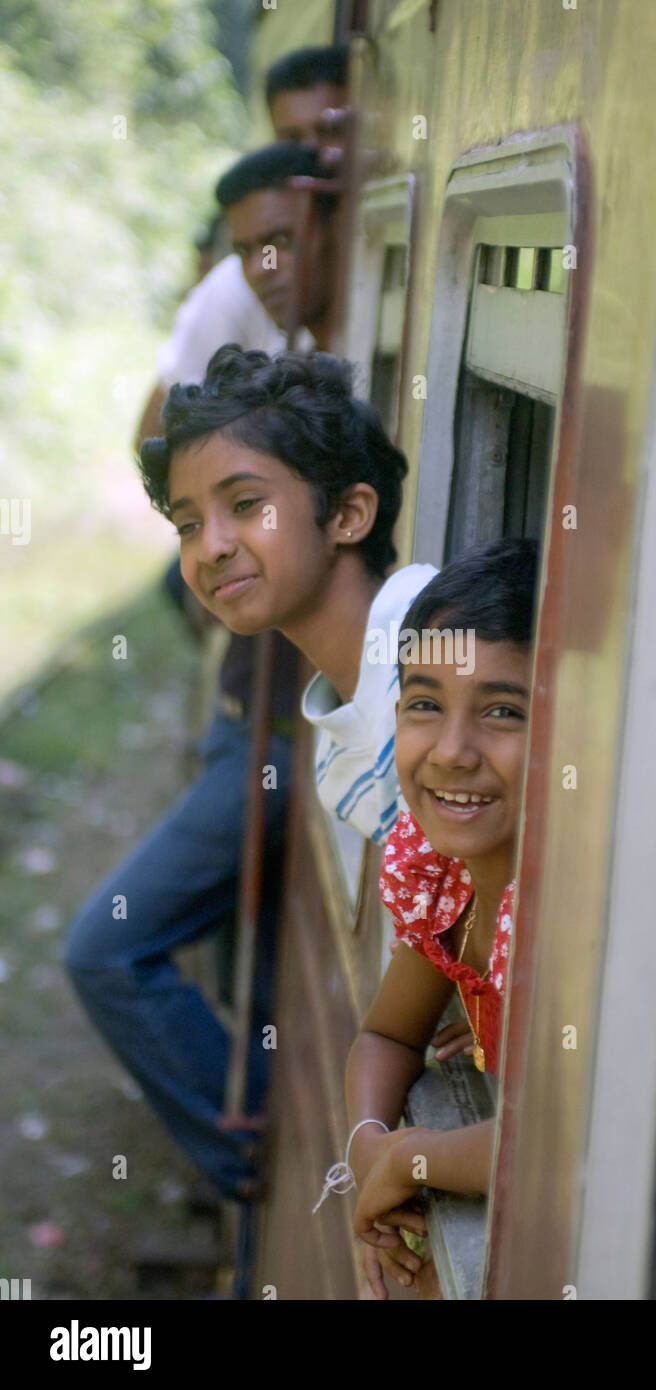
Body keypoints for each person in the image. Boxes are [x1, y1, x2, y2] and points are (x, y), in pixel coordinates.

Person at [63, 146, 340, 1206]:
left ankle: (251, 1162)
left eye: (281, 239)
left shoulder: (323, 385)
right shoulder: (254, 328)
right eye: (244, 249)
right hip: (255, 721)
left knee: (106, 949)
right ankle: (261, 1164)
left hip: (277, 733)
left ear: (328, 214)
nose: (263, 266)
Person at [337, 538, 538, 1299]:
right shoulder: (448, 878)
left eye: (503, 712)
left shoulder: (565, 918)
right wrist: (371, 1155)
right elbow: (385, 1035)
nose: (453, 751)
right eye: (425, 704)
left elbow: (555, 1145)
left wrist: (415, 1157)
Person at [138, 346, 439, 845]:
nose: (211, 547)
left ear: (346, 515)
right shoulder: (339, 772)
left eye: (246, 504)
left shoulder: (439, 640)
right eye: (188, 524)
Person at [134, 43, 348, 449]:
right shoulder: (232, 286)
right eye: (291, 139)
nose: (310, 156)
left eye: (328, 133)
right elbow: (156, 433)